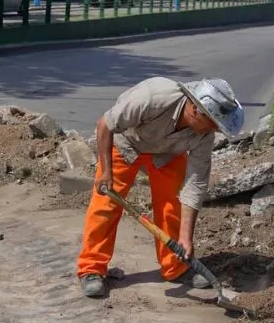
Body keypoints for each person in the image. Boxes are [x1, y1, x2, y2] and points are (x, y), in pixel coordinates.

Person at [76, 76, 244, 298]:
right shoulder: (153, 97)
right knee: (105, 206)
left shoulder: (204, 135)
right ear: (195, 110)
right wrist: (106, 172)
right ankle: (92, 269)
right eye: (212, 123)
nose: (214, 130)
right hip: (127, 143)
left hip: (166, 154)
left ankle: (176, 266)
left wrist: (186, 237)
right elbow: (104, 125)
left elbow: (195, 186)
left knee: (171, 204)